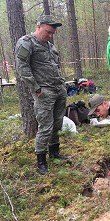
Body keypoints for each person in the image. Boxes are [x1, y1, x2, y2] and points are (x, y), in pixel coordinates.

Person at [15, 15, 71, 175]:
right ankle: (41, 161)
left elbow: (55, 66)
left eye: (52, 33)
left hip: (58, 89)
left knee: (57, 123)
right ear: (38, 26)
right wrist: (36, 88)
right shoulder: (27, 42)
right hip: (44, 92)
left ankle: (55, 153)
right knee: (45, 126)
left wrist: (62, 86)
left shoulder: (50, 46)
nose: (50, 36)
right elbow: (22, 68)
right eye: (48, 32)